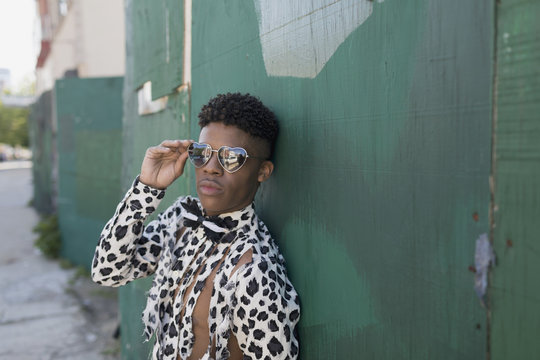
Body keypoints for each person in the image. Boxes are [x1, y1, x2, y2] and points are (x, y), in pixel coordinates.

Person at [91, 93, 300, 360]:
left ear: (263, 171)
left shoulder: (252, 268)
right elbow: (108, 272)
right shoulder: (181, 219)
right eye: (202, 153)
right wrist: (147, 187)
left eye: (231, 158)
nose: (211, 168)